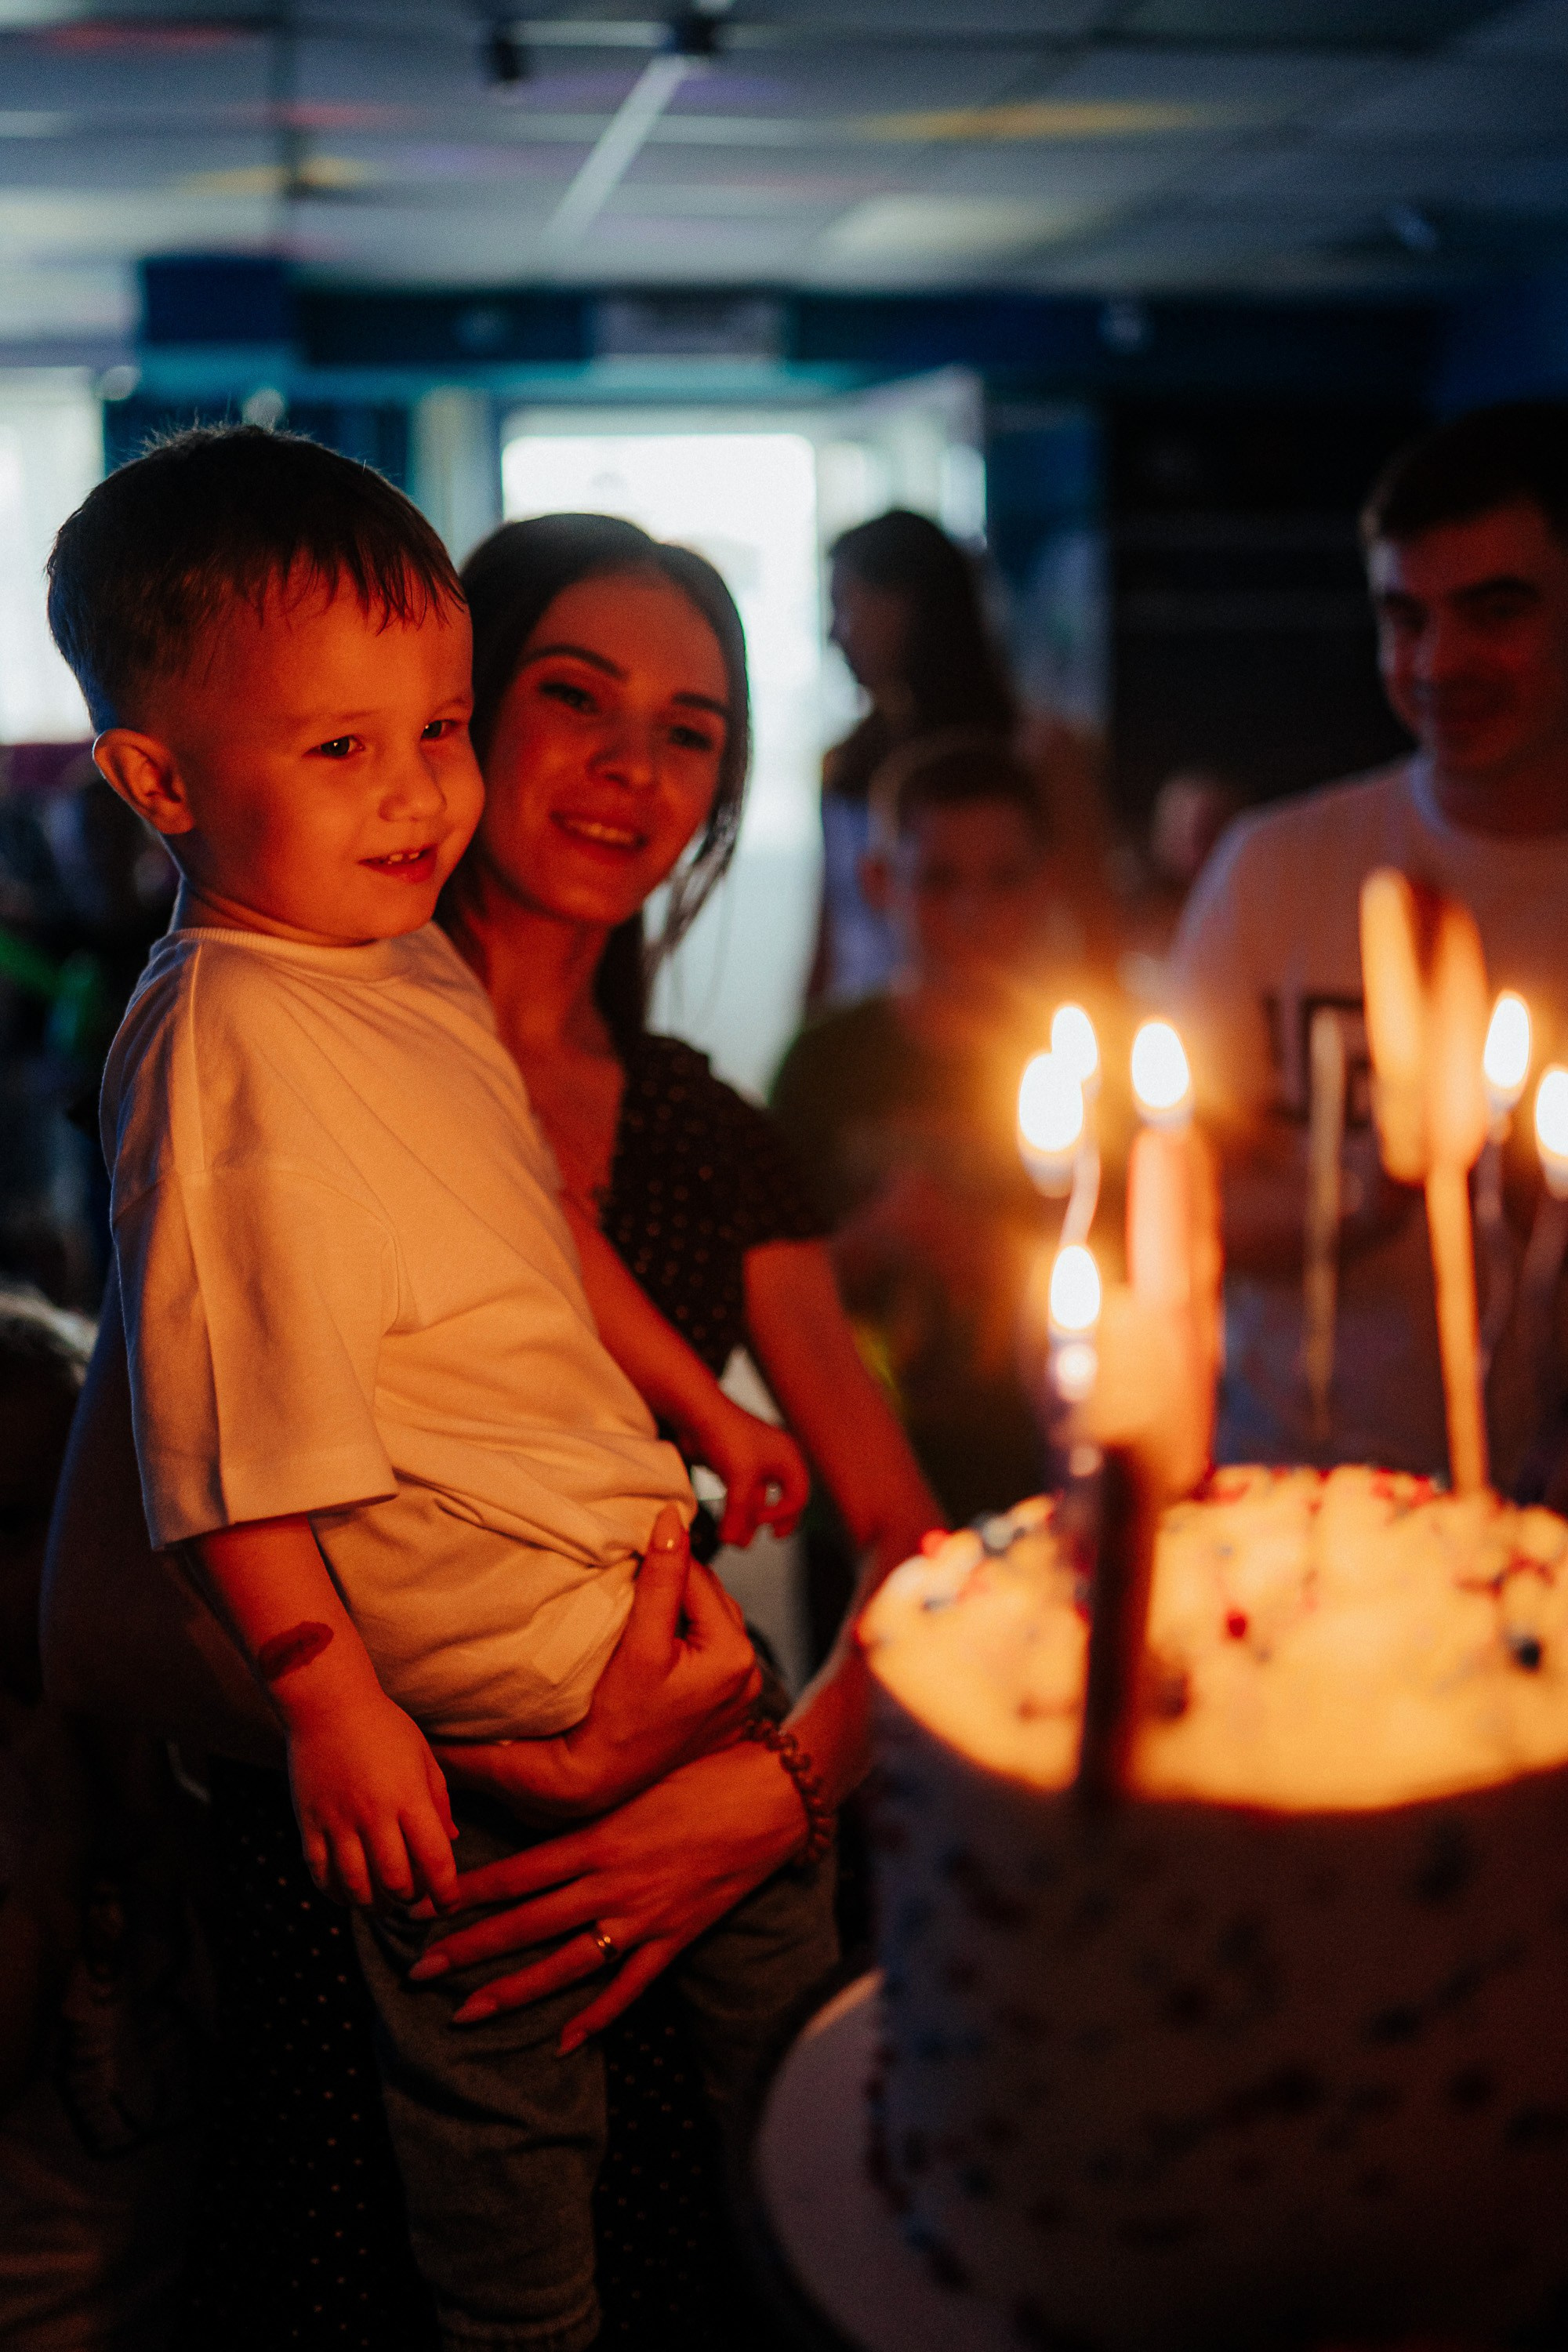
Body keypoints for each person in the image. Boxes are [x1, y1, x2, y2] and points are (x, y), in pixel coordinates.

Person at [42, 501, 939, 2343]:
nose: (627, 767)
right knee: (488, 2240)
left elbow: (920, 1553)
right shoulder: (239, 1052)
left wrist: (764, 1788)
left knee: (807, 2176)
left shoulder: (661, 1111)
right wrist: (466, 1747)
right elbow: (105, 1603)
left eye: (688, 729)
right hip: (389, 1871)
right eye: (573, 698)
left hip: (702, 1772)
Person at [1170, 399, 1568, 1478]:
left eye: (1494, 612)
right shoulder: (1276, 866)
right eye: (1404, 619)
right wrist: (1366, 1198)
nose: (1440, 662)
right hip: (1292, 1486)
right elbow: (1166, 1190)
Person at [774, 728, 1083, 1539]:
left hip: (1035, 1483)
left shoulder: (1083, 1068)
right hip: (854, 1487)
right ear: (880, 882)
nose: (972, 914)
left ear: (1047, 882)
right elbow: (761, 1295)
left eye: (1003, 879)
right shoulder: (824, 1064)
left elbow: (1135, 1291)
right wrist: (870, 1243)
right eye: (938, 880)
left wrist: (989, 1256)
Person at [0, 1286, 205, 2352]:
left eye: (71, 1515)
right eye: (14, 1526)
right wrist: (58, 1852)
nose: (51, 1568)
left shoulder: (161, 1729)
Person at [814, 507, 1112, 1004]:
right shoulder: (845, 760)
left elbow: (1096, 926)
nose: (835, 634)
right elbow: (830, 943)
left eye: (846, 604)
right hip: (866, 1035)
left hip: (1004, 1034)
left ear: (909, 605)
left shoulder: (1036, 751)